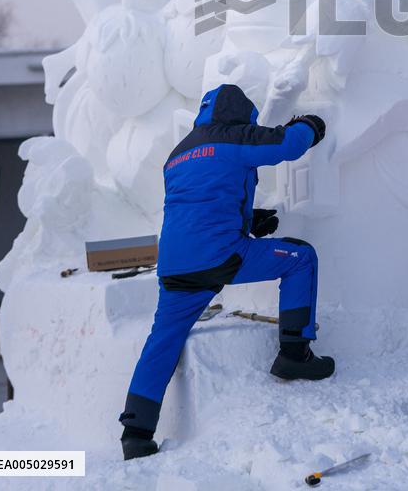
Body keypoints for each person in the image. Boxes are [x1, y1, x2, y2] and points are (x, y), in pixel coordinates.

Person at [119, 83, 333, 461]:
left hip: (175, 264)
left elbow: (204, 199)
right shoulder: (237, 135)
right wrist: (310, 125)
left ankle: (136, 431)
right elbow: (287, 144)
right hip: (220, 255)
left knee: (163, 340)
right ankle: (295, 354)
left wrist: (250, 220)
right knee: (301, 257)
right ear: (242, 113)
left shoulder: (178, 153)